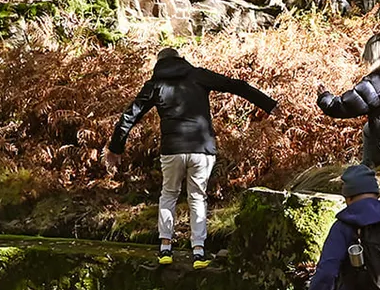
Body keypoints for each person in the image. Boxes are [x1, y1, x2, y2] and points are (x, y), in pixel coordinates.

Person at [108, 47, 277, 268]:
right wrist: (269, 105)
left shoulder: (155, 85)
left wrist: (115, 148)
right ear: (180, 59)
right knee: (197, 197)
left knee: (168, 195)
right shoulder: (197, 75)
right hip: (202, 149)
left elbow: (130, 116)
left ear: (158, 63)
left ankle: (165, 249)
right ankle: (198, 252)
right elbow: (236, 85)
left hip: (172, 149)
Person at [317, 33, 380, 166]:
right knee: (368, 128)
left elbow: (343, 107)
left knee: (369, 131)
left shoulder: (377, 81)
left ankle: (369, 172)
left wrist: (324, 97)